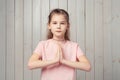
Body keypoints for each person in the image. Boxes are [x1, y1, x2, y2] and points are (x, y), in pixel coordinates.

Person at [28, 8, 91, 80]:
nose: (58, 26)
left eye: (62, 23)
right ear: (49, 25)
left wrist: (63, 61)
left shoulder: (74, 46)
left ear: (67, 26)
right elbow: (30, 64)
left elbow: (87, 66)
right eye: (54, 23)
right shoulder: (43, 45)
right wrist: (55, 61)